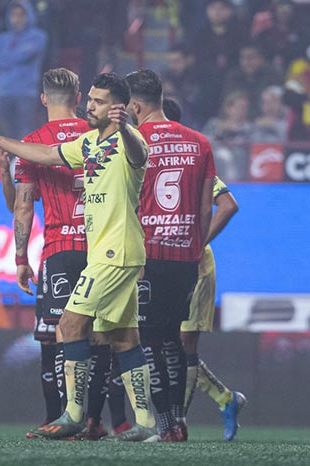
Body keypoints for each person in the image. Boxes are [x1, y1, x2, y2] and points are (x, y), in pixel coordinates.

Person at [0, 73, 158, 442]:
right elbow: (46, 154)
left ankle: (72, 415)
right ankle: (147, 424)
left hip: (114, 254)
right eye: (92, 100)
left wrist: (127, 127)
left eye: (100, 102)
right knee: (122, 337)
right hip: (110, 252)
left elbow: (138, 153)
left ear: (116, 109)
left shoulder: (130, 143)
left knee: (69, 326)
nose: (91, 106)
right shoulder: (87, 142)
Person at [125, 69, 215, 442]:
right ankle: (178, 420)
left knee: (148, 341)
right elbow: (206, 208)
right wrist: (194, 246)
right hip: (185, 256)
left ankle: (164, 424)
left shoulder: (130, 141)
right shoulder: (200, 143)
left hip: (147, 257)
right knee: (173, 340)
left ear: (133, 105)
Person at [164, 97, 247, 442]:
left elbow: (228, 205)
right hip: (161, 261)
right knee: (164, 343)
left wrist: (197, 243)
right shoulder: (149, 161)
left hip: (194, 265)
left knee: (184, 343)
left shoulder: (191, 163)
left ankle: (176, 425)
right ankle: (226, 399)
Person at [0, 1, 47, 140]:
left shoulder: (39, 36)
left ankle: (22, 161)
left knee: (24, 132)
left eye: (21, 15)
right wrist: (14, 57)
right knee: (1, 131)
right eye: (13, 15)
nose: (16, 19)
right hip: (3, 92)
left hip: (26, 93)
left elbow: (21, 56)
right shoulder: (1, 38)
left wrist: (6, 58)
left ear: (29, 15)